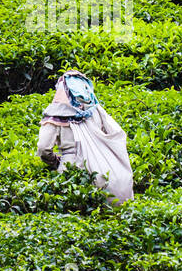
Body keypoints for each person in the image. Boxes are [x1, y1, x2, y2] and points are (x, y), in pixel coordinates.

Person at [37, 70, 134, 204]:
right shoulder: (95, 111)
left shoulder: (54, 115)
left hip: (70, 172)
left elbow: (43, 148)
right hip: (101, 170)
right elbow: (116, 134)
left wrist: (55, 162)